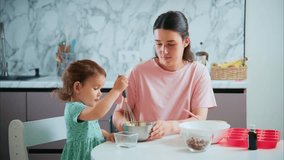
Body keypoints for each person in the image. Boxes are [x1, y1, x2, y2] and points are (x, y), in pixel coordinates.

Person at [112, 11, 216, 140]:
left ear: (186, 41)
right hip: (143, 147)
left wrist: (171, 126)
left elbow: (200, 119)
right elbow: (118, 114)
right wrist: (127, 126)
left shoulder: (199, 73)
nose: (164, 51)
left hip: (182, 145)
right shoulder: (138, 72)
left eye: (171, 44)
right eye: (159, 44)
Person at [55, 59, 128, 160]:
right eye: (95, 88)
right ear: (77, 87)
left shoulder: (87, 108)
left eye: (100, 89)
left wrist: (105, 134)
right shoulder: (74, 108)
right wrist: (116, 90)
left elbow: (89, 130)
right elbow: (97, 112)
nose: (100, 93)